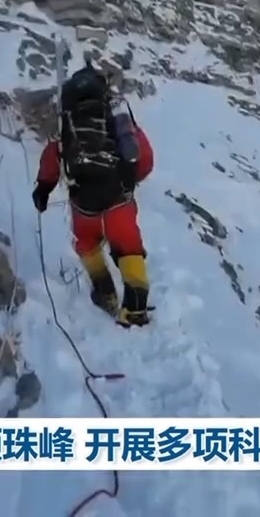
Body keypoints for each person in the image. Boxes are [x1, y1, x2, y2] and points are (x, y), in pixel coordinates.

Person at [32, 65, 156, 327]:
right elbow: (144, 157)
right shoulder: (118, 120)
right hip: (118, 199)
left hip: (83, 202)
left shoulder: (68, 124)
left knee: (87, 243)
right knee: (128, 247)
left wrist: (43, 189)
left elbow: (52, 159)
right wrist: (130, 179)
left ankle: (105, 293)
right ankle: (134, 310)